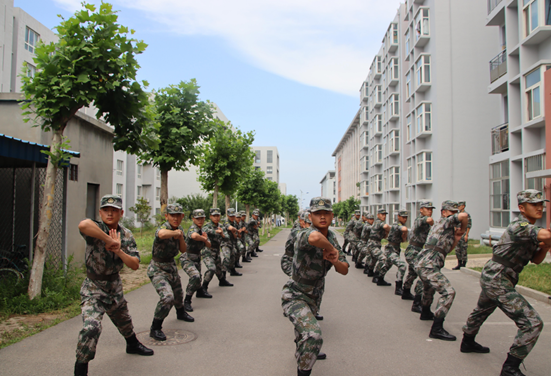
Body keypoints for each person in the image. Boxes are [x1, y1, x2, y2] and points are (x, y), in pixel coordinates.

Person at [461, 190, 551, 376]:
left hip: (498, 275)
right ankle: (510, 369)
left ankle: (467, 342)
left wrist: (546, 247)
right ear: (521, 208)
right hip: (497, 278)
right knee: (532, 322)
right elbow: (545, 236)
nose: (540, 207)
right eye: (534, 204)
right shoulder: (520, 226)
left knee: (481, 310)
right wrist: (547, 239)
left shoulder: (531, 230)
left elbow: (536, 259)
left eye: (541, 204)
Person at [74, 195, 153, 376]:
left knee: (124, 321)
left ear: (121, 213)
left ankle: (132, 345)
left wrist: (118, 250)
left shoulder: (126, 235)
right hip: (93, 287)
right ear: (100, 212)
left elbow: (134, 264)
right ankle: (80, 370)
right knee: (91, 328)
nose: (110, 213)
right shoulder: (95, 228)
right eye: (106, 210)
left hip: (114, 286)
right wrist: (108, 240)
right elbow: (83, 225)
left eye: (114, 210)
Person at [281, 197, 349, 376]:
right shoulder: (304, 233)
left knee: (303, 335)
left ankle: (306, 352)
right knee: (313, 335)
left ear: (332, 215)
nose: (323, 217)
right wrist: (330, 249)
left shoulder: (333, 237)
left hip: (315, 294)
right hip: (295, 294)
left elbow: (344, 270)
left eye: (326, 213)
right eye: (318, 213)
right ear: (310, 216)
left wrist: (335, 260)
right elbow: (315, 237)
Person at [415, 200, 468, 341]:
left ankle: (425, 312)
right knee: (448, 292)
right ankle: (436, 329)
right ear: (444, 213)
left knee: (429, 289)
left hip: (427, 264)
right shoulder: (444, 222)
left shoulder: (446, 228)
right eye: (452, 213)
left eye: (455, 213)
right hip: (428, 264)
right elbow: (464, 216)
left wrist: (457, 237)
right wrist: (463, 228)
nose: (454, 216)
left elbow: (445, 250)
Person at [148, 204, 194, 342]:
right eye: (172, 215)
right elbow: (161, 234)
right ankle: (155, 327)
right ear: (166, 216)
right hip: (157, 268)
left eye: (178, 215)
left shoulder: (179, 229)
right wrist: (175, 233)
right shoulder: (164, 228)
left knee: (178, 294)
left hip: (171, 266)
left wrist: (180, 236)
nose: (175, 218)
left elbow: (184, 249)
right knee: (167, 297)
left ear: (182, 216)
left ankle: (181, 313)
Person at [402, 201, 435, 308]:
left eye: (431, 209)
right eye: (427, 209)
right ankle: (417, 302)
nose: (430, 211)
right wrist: (432, 222)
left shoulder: (424, 221)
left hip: (418, 251)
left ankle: (405, 292)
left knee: (412, 273)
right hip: (413, 251)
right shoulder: (420, 220)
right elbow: (428, 220)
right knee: (423, 275)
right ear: (421, 210)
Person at [181, 209, 212, 304]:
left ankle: (200, 291)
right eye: (198, 218)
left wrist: (205, 240)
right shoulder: (193, 228)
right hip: (187, 257)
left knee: (198, 278)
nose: (200, 220)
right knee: (195, 276)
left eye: (202, 218)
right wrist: (203, 238)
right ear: (193, 219)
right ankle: (187, 300)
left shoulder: (202, 230)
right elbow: (194, 236)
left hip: (196, 256)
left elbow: (209, 245)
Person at [374, 210, 408, 293]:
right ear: (398, 217)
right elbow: (404, 229)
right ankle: (398, 287)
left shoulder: (400, 225)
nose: (405, 219)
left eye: (406, 217)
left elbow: (403, 240)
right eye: (403, 217)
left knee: (387, 265)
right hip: (391, 250)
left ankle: (380, 279)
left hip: (395, 248)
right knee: (402, 265)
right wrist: (405, 235)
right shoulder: (397, 225)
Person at [202, 208, 234, 294]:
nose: (216, 218)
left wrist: (222, 234)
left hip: (216, 251)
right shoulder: (207, 226)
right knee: (211, 269)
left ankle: (222, 281)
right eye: (214, 216)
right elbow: (204, 231)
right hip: (207, 251)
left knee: (218, 270)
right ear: (210, 217)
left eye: (218, 216)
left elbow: (227, 238)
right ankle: (203, 287)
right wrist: (216, 231)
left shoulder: (221, 226)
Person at [369, 209, 391, 283]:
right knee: (383, 258)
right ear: (378, 215)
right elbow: (385, 226)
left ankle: (370, 271)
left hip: (375, 244)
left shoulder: (378, 223)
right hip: (373, 245)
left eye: (385, 215)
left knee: (374, 259)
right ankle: (376, 276)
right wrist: (392, 230)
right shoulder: (379, 222)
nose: (384, 216)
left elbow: (384, 236)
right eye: (382, 214)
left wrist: (387, 233)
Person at [221, 208, 242, 277]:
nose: (232, 217)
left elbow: (236, 236)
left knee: (233, 257)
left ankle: (232, 270)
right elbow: (231, 228)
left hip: (232, 243)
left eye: (233, 216)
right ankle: (223, 275)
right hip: (225, 243)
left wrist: (236, 233)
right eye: (230, 216)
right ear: (227, 215)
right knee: (227, 257)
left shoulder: (235, 224)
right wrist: (236, 230)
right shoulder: (226, 222)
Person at [452, 201, 471, 270]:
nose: (458, 207)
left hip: (463, 234)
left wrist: (466, 235)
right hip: (457, 234)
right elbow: (454, 224)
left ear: (463, 206)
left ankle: (463, 263)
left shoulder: (466, 215)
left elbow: (468, 225)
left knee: (463, 249)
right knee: (457, 249)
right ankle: (459, 263)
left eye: (459, 206)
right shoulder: (457, 215)